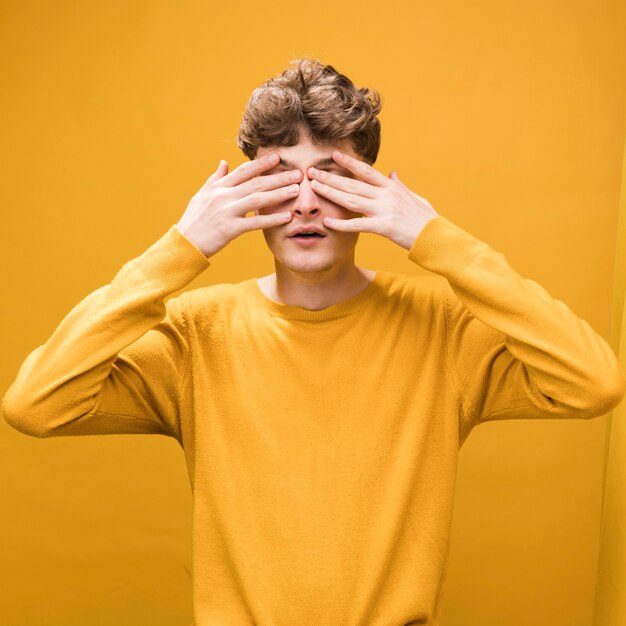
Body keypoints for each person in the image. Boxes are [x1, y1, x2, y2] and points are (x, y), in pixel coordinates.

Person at [2, 57, 625, 626]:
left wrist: (435, 237)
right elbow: (35, 404)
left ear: (372, 190)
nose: (305, 204)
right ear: (245, 193)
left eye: (329, 179)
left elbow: (593, 382)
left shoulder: (441, 327)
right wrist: (181, 248)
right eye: (280, 180)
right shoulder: (197, 334)